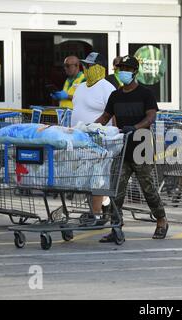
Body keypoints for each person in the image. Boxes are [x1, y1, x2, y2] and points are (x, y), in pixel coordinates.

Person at [95, 55, 169, 240]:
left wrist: (135, 128)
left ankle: (161, 220)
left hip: (141, 145)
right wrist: (89, 129)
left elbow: (151, 116)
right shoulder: (115, 95)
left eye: (127, 69)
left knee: (147, 188)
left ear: (135, 72)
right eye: (121, 69)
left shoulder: (145, 94)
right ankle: (116, 227)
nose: (123, 72)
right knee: (116, 189)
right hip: (122, 146)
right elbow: (105, 117)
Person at [71, 52, 116, 218]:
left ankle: (95, 213)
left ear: (100, 68)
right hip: (80, 140)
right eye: (85, 65)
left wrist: (115, 135)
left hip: (99, 140)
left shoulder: (107, 88)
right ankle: (104, 204)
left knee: (96, 177)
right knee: (86, 177)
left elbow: (113, 114)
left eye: (90, 66)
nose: (86, 69)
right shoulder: (81, 87)